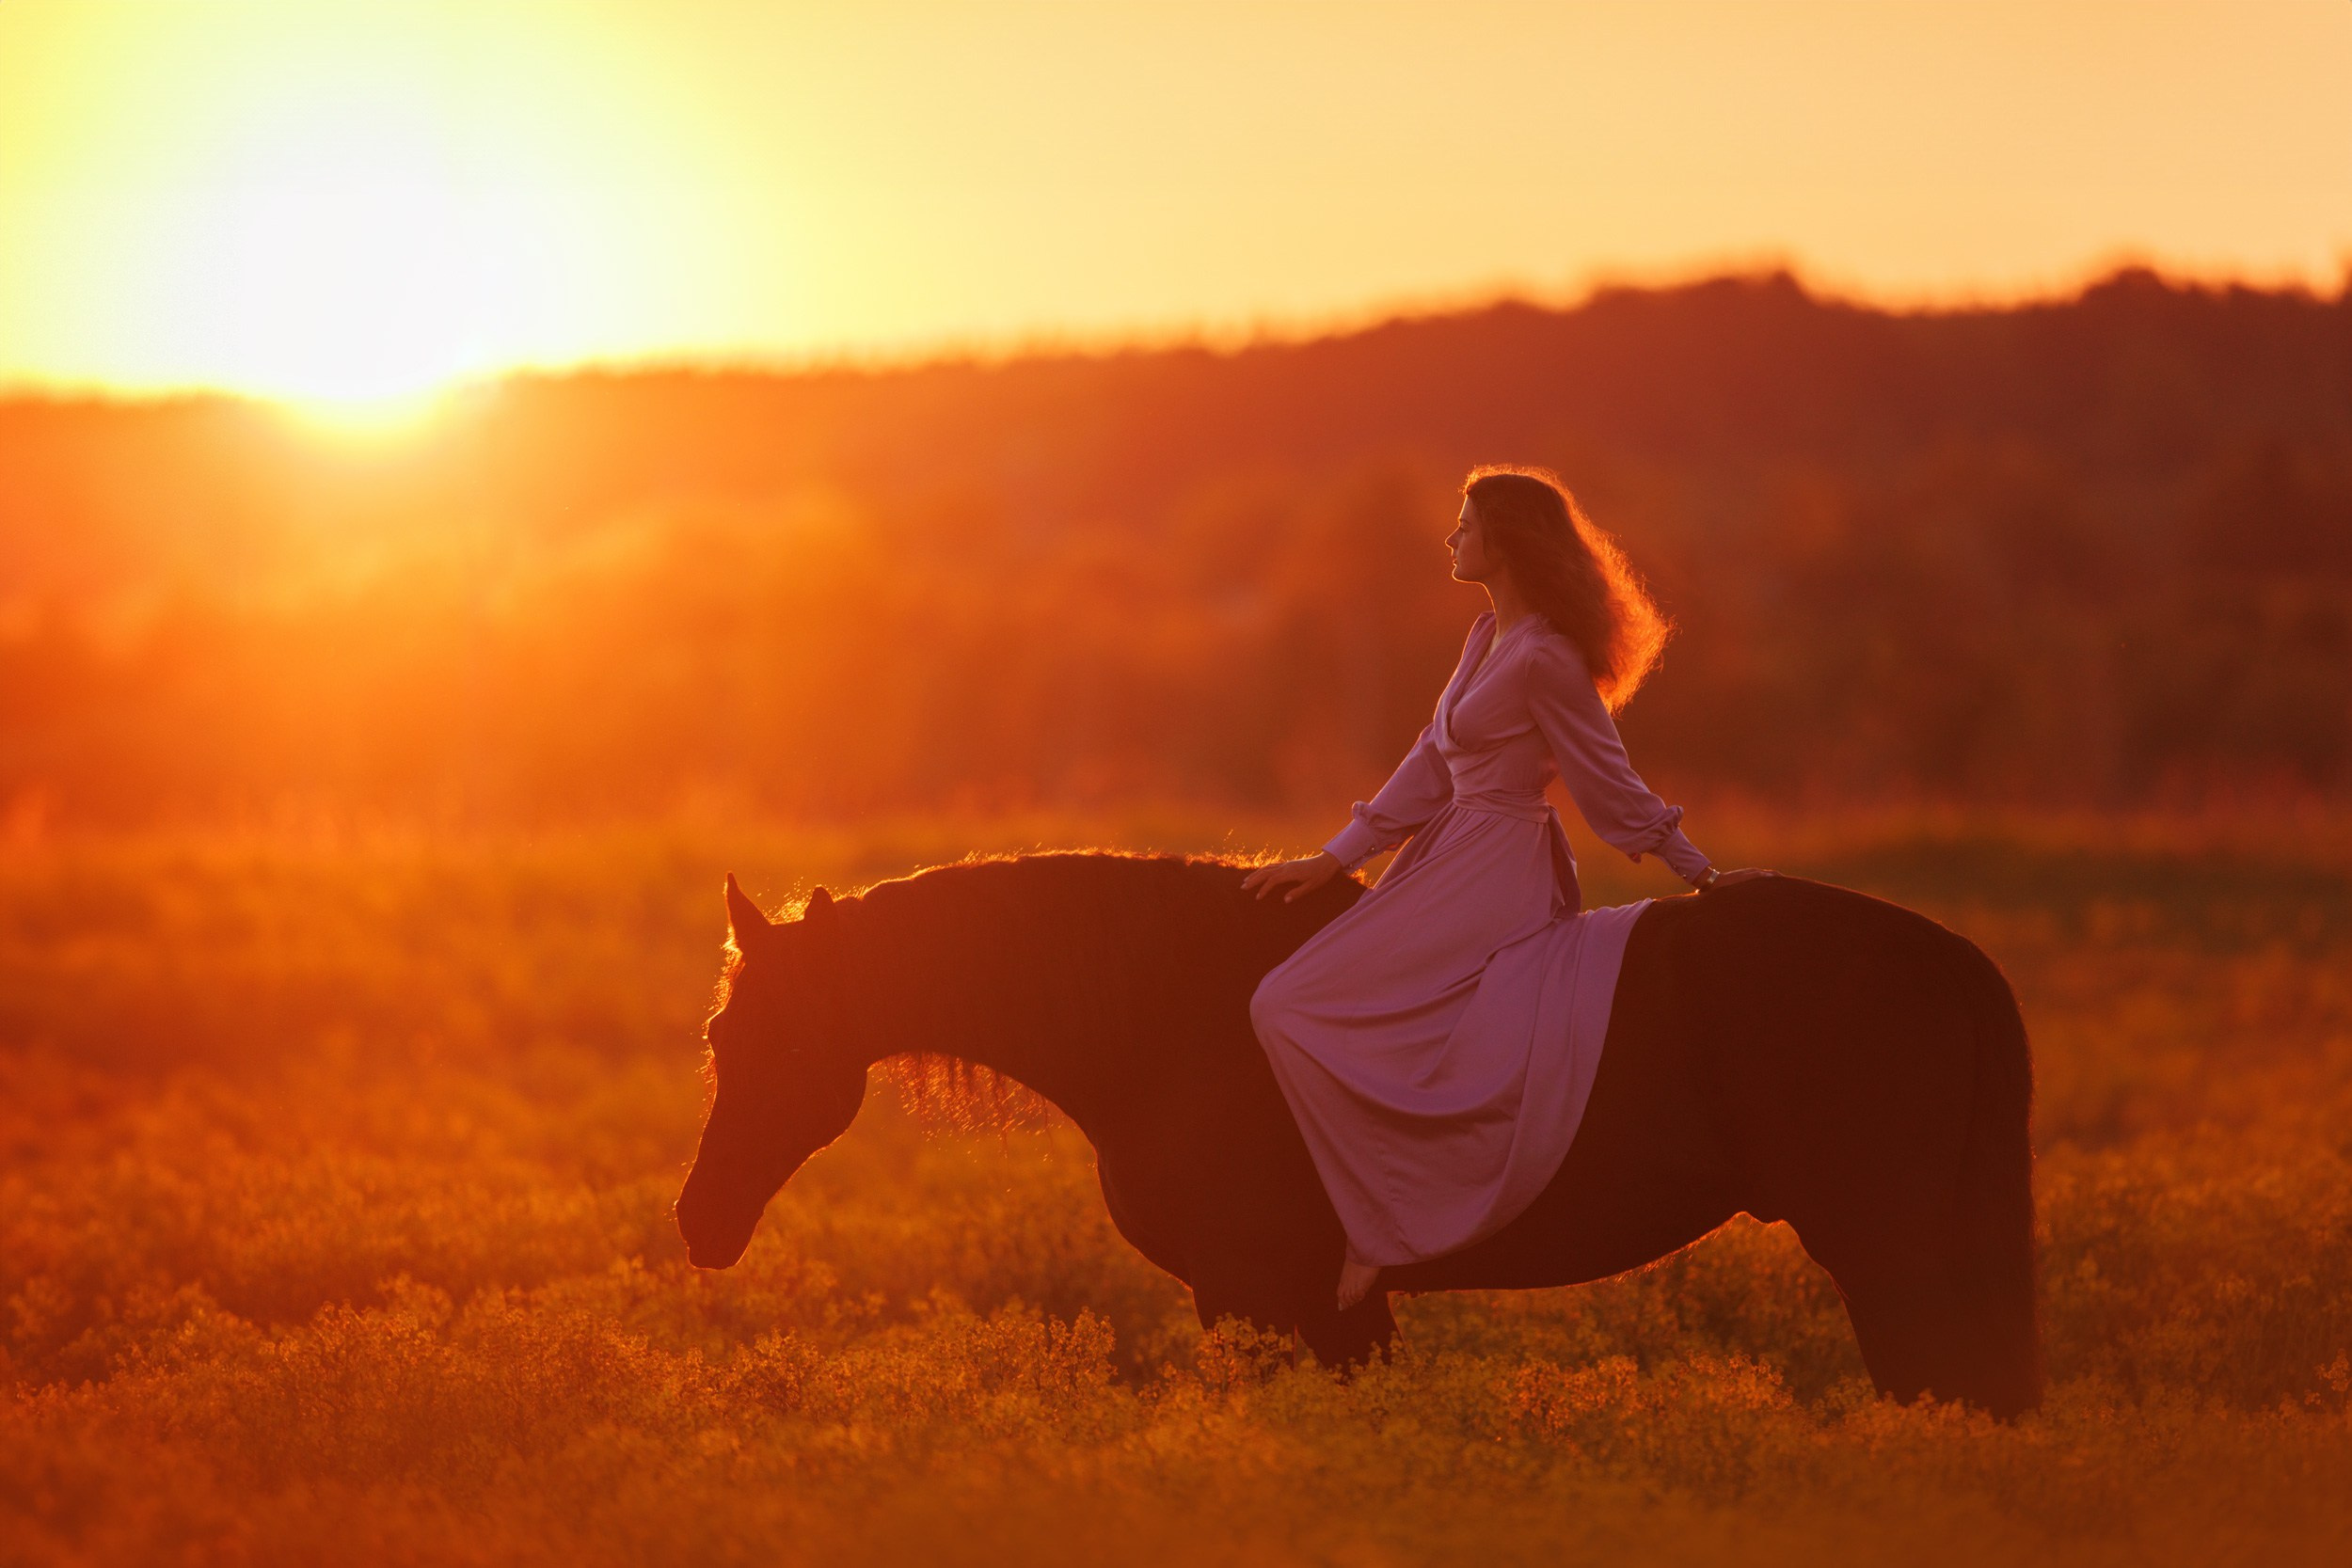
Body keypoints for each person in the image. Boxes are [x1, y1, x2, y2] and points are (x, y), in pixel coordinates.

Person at [1242, 466, 1771, 1310]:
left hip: (1498, 865)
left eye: (1466, 524)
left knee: (1289, 1003)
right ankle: (1377, 1201)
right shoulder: (1485, 637)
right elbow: (1429, 763)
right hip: (1448, 852)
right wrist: (1334, 858)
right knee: (1296, 1003)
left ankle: (1386, 1224)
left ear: (1508, 540)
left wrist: (1698, 871)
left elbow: (1607, 777)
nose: (1452, 537)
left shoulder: (1546, 658)